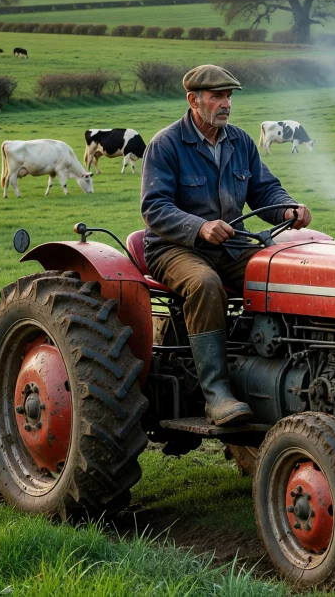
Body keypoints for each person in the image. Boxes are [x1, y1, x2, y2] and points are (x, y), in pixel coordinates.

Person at [140, 65, 312, 425]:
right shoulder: (167, 144)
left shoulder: (240, 142)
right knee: (204, 284)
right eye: (217, 96)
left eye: (229, 96)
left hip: (230, 246)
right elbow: (154, 207)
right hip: (174, 248)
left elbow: (264, 190)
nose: (226, 104)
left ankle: (280, 369)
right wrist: (199, 227)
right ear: (194, 100)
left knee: (285, 269)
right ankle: (216, 394)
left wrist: (288, 208)